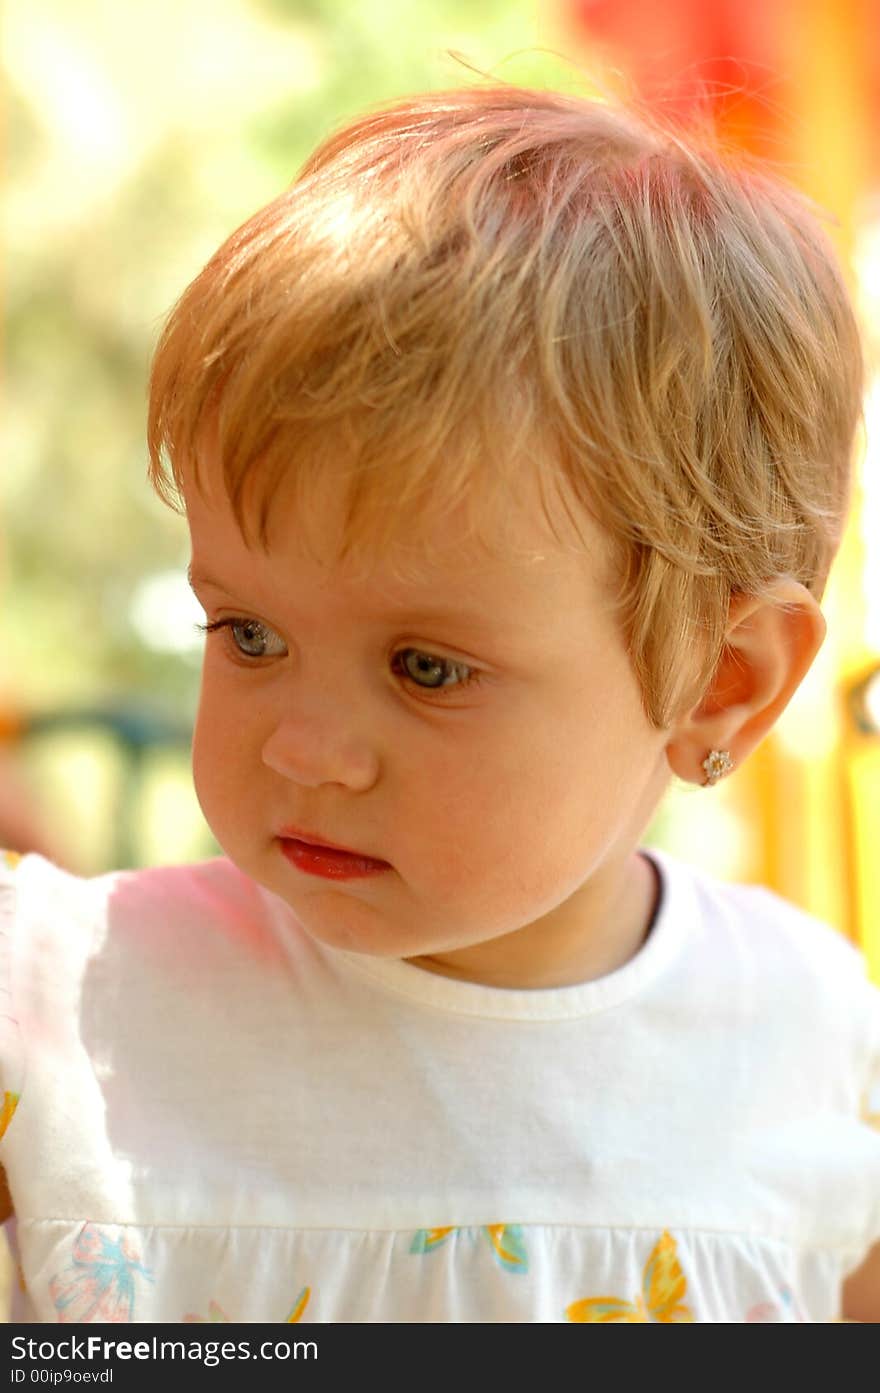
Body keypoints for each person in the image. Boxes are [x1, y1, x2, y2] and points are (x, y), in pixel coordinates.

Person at [1, 82, 878, 1325]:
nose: (303, 747)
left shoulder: (806, 1041)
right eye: (248, 633)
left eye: (425, 668)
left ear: (718, 681)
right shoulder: (58, 1000)